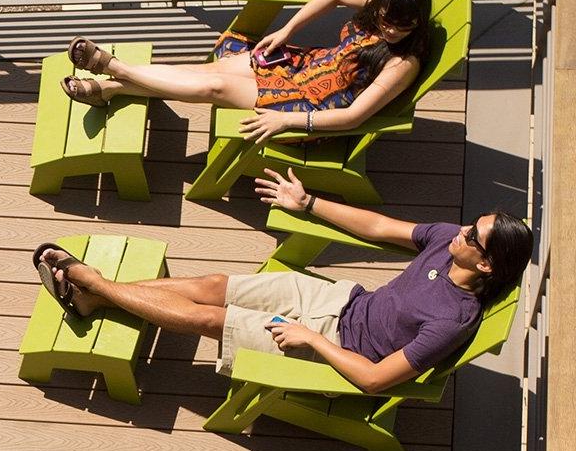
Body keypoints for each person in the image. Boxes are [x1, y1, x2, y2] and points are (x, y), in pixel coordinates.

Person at [33, 169, 533, 395]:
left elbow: (376, 380)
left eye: (474, 234)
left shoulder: (453, 319)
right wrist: (308, 203)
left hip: (335, 347)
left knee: (213, 319)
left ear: (486, 264)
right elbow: (379, 227)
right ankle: (91, 299)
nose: (462, 230)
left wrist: (313, 338)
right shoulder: (446, 243)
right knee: (211, 284)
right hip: (341, 302)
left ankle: (90, 282)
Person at [59, 0, 431, 144]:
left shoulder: (402, 63)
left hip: (312, 107)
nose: (393, 31)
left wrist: (288, 123)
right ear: (380, 4)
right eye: (387, 21)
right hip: (307, 65)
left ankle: (113, 66)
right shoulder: (380, 5)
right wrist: (286, 31)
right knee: (204, 71)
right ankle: (112, 90)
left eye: (405, 26)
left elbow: (353, 117)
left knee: (215, 86)